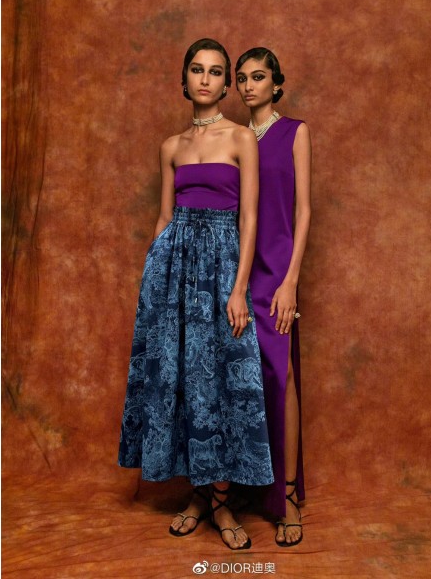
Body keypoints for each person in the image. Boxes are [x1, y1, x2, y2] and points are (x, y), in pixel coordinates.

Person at [118, 38, 274, 551]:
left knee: (225, 382)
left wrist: (238, 288)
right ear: (184, 79)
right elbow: (165, 217)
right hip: (174, 271)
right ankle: (200, 496)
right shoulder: (172, 146)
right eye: (197, 70)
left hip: (224, 264)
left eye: (215, 72)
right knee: (184, 381)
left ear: (226, 84)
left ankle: (223, 502)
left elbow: (249, 218)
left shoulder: (241, 138)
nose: (205, 79)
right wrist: (153, 280)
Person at [235, 47, 312, 547]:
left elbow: (304, 211)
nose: (248, 86)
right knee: (240, 381)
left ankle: (287, 496)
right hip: (238, 269)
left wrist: (291, 280)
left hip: (278, 271)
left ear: (276, 84)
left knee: (281, 376)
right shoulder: (235, 137)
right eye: (241, 78)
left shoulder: (295, 132)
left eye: (258, 77)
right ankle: (238, 488)